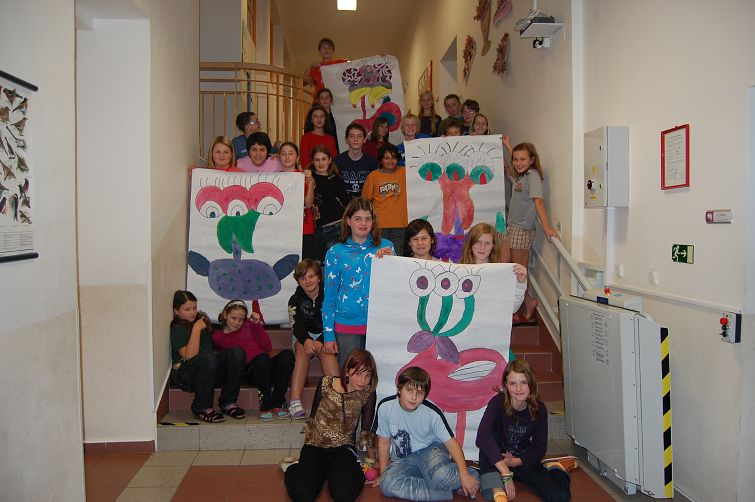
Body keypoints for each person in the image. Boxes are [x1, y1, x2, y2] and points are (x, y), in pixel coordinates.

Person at [371, 366, 480, 500]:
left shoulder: (432, 411)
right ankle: (444, 492)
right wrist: (383, 474)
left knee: (440, 476)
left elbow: (451, 443)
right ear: (399, 389)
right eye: (409, 390)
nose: (414, 397)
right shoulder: (385, 407)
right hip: (403, 458)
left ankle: (471, 474)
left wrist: (464, 474)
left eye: (420, 393)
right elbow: (383, 441)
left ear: (425, 395)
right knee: (386, 484)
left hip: (430, 451)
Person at [283, 349, 378, 502]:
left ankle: (338, 471)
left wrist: (370, 461)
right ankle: (293, 468)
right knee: (302, 495)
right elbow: (313, 416)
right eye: (358, 374)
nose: (363, 380)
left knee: (343, 495)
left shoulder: (368, 393)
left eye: (367, 375)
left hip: (343, 447)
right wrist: (306, 453)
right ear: (347, 371)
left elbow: (365, 430)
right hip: (315, 445)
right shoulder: (326, 382)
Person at [475, 360, 575, 502]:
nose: (518, 388)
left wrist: (515, 462)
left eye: (523, 382)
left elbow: (539, 448)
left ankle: (556, 468)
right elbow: (482, 436)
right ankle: (497, 480)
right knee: (492, 494)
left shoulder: (539, 409)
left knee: (560, 497)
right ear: (506, 385)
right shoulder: (497, 402)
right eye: (512, 383)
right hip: (497, 458)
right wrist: (505, 472)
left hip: (521, 459)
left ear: (531, 384)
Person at [322, 197, 394, 368]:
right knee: (351, 376)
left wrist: (392, 262)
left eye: (368, 219)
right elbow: (329, 298)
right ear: (348, 221)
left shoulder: (387, 247)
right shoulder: (335, 253)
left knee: (377, 377)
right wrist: (328, 335)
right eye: (358, 219)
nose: (364, 223)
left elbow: (396, 287)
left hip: (379, 324)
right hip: (346, 326)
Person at [501, 142, 559, 323]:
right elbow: (512, 169)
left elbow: (538, 201)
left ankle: (525, 304)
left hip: (522, 230)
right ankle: (525, 302)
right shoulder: (522, 176)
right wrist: (508, 146)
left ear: (532, 160)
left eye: (523, 159)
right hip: (511, 227)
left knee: (518, 272)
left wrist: (547, 227)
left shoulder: (532, 175)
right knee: (504, 268)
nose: (518, 163)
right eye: (516, 159)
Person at [211, 300, 295, 421]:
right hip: (250, 372)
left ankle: (278, 403)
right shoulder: (217, 336)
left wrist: (257, 325)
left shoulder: (250, 325)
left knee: (287, 356)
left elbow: (268, 347)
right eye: (233, 318)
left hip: (266, 367)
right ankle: (265, 406)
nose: (236, 323)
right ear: (225, 315)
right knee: (262, 359)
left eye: (241, 319)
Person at [169, 290, 246, 423]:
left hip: (208, 372)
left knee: (237, 352)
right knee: (208, 358)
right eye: (187, 309)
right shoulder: (178, 327)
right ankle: (202, 408)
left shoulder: (202, 321)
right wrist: (196, 329)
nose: (192, 312)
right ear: (177, 311)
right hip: (185, 375)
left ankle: (228, 403)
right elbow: (189, 356)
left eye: (194, 308)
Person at [287, 259, 339, 420]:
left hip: (326, 335)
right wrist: (307, 340)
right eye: (303, 278)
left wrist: (323, 340)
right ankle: (295, 400)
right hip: (304, 336)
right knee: (302, 352)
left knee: (328, 353)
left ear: (319, 277)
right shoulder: (294, 300)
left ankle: (337, 399)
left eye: (311, 276)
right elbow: (296, 325)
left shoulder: (331, 296)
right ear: (298, 281)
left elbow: (335, 321)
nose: (307, 281)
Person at [459, 223, 527, 314]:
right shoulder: (458, 272)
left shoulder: (501, 274)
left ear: (493, 246)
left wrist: (520, 284)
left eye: (487, 243)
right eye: (478, 242)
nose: (482, 247)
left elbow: (513, 308)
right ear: (471, 245)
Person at [361, 143, 407, 255]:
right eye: (386, 158)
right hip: (379, 226)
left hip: (400, 225)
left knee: (397, 257)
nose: (390, 161)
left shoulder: (405, 172)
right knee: (378, 258)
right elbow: (365, 202)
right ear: (381, 160)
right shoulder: (373, 176)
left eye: (394, 158)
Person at [310, 144, 349, 262]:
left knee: (339, 262)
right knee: (323, 264)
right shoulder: (308, 179)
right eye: (317, 160)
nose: (321, 163)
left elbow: (347, 202)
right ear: (312, 162)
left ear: (329, 160)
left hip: (339, 225)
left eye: (324, 159)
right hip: (319, 229)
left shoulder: (336, 179)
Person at [280, 142, 316, 260]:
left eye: (291, 153)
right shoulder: (274, 177)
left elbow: (308, 204)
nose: (287, 157)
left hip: (304, 228)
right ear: (279, 157)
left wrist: (310, 182)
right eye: (283, 154)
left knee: (305, 264)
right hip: (283, 228)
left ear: (297, 157)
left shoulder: (304, 177)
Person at [333, 123, 377, 198]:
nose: (355, 139)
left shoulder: (372, 163)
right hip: (344, 203)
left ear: (364, 139)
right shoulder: (337, 162)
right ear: (346, 140)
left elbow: (374, 188)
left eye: (359, 136)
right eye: (351, 136)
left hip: (365, 202)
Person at [304, 37, 348, 101]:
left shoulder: (340, 63)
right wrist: (310, 66)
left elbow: (354, 65)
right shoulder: (315, 68)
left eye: (329, 48)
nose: (326, 50)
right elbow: (303, 81)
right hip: (319, 101)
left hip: (336, 100)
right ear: (320, 51)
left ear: (333, 51)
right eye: (324, 47)